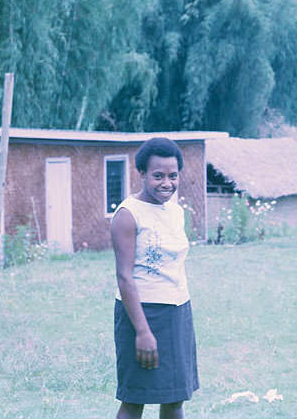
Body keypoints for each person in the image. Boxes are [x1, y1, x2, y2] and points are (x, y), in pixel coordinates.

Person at [111, 137, 199, 419]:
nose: (167, 183)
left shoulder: (176, 211)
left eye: (173, 176)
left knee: (175, 399)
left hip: (177, 313)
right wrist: (143, 332)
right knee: (135, 399)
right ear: (142, 174)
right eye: (158, 176)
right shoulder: (128, 214)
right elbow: (124, 277)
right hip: (141, 314)